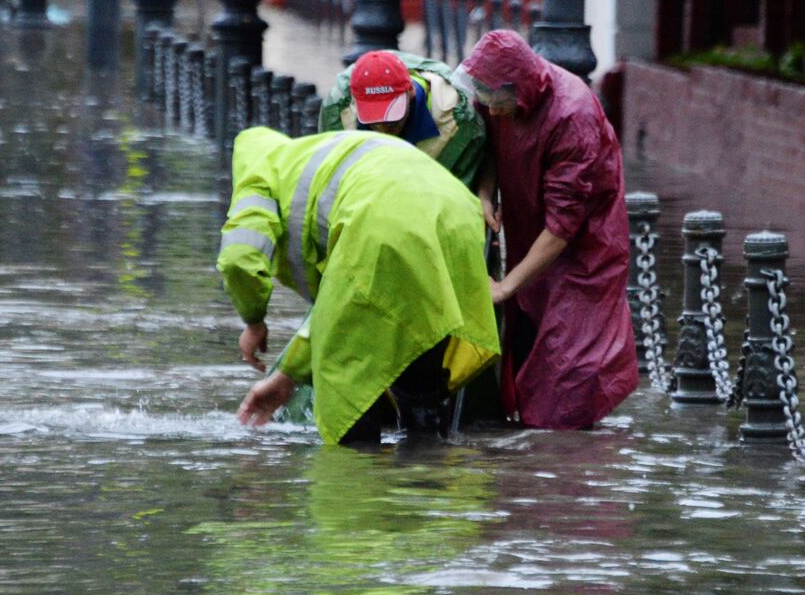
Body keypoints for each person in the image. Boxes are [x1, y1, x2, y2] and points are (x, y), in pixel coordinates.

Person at [219, 127, 500, 445]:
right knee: (423, 354)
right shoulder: (321, 154)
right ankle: (429, 473)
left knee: (347, 386)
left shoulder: (258, 178)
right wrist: (289, 376)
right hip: (457, 215)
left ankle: (357, 482)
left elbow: (238, 259)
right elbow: (333, 309)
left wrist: (253, 319)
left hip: (382, 223)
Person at [456, 30, 638, 430]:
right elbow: (491, 144)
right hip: (529, 236)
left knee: (570, 371)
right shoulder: (497, 97)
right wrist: (486, 193)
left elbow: (562, 228)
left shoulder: (573, 116)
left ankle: (565, 468)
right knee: (528, 349)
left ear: (516, 88)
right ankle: (529, 463)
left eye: (497, 102)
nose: (493, 111)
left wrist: (505, 287)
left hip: (583, 254)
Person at [319, 49, 487, 191]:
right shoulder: (339, 112)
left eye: (392, 121)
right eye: (375, 121)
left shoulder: (458, 122)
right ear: (356, 102)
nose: (384, 131)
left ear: (411, 92)